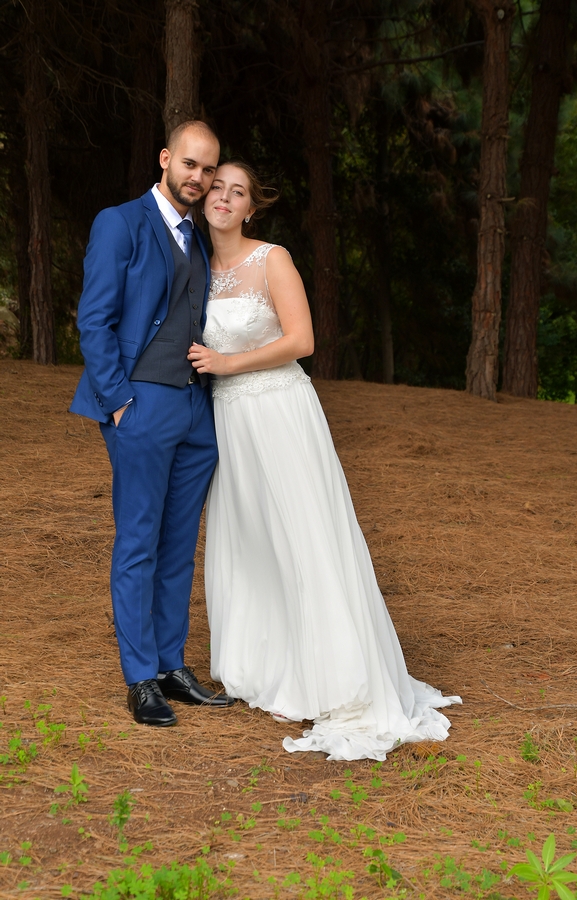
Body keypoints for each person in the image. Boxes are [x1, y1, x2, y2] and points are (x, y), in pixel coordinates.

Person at [188, 160, 461, 761]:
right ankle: (268, 667)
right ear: (204, 198)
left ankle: (339, 676)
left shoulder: (272, 258)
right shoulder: (198, 268)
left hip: (280, 410)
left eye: (238, 192)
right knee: (253, 540)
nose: (226, 199)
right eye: (218, 189)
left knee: (304, 534)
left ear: (251, 208)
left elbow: (301, 340)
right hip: (230, 423)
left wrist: (226, 364)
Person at [70, 121, 236, 726]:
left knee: (177, 547)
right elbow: (95, 318)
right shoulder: (121, 222)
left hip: (196, 409)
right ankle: (140, 677)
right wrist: (117, 401)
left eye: (208, 169)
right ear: (166, 158)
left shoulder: (199, 237)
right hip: (139, 403)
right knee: (138, 542)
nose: (198, 177)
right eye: (189, 164)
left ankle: (172, 663)